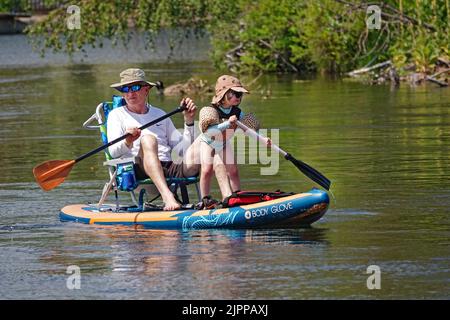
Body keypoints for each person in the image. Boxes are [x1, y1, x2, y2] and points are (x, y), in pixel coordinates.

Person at [107, 68, 200, 211]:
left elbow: (183, 149)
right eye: (125, 88)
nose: (130, 93)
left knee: (205, 142)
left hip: (169, 166)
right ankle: (167, 197)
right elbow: (113, 152)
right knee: (148, 139)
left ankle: (217, 200)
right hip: (139, 169)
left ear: (146, 90)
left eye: (135, 87)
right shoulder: (116, 115)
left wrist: (189, 121)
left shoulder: (160, 114)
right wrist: (128, 141)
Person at [197, 75, 269, 209]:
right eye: (235, 93)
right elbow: (209, 131)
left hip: (223, 144)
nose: (239, 97)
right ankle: (204, 200)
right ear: (223, 94)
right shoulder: (211, 110)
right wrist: (228, 123)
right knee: (207, 170)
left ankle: (237, 197)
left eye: (240, 94)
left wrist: (263, 139)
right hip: (208, 142)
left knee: (234, 171)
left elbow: (249, 129)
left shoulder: (238, 112)